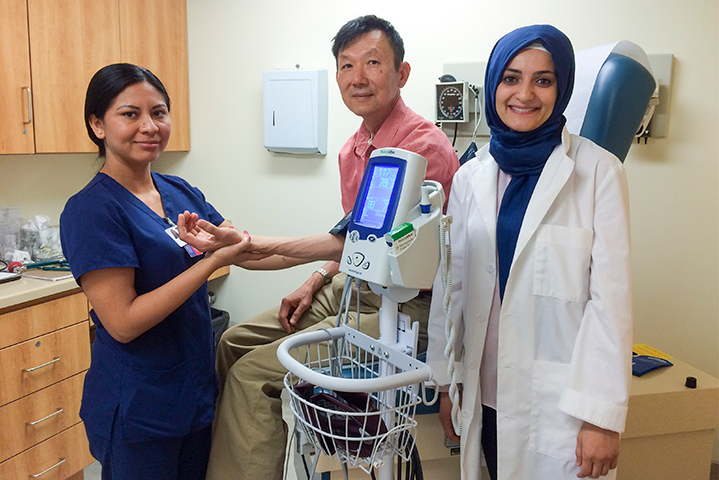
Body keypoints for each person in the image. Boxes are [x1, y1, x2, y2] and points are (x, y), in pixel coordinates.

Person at [203, 15, 460, 480]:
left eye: (373, 63)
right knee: (231, 343)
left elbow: (376, 245)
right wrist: (315, 278)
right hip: (352, 287)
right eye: (346, 65)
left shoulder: (424, 151)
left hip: (410, 307)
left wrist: (250, 245)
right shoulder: (353, 150)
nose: (357, 77)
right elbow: (351, 245)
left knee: (253, 375)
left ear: (401, 74)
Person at [426, 25, 633, 480]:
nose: (525, 94)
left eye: (543, 80)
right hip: (484, 395)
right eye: (511, 78)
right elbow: (450, 287)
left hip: (560, 407)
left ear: (562, 89)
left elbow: (610, 305)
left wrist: (600, 417)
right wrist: (445, 383)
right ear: (493, 84)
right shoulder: (471, 176)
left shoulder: (598, 172)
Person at [59, 63, 256, 480]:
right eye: (130, 114)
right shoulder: (91, 210)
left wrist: (332, 252)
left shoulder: (179, 191)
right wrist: (211, 263)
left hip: (193, 394)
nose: (149, 126)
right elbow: (124, 322)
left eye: (159, 112)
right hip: (138, 408)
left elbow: (240, 248)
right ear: (98, 125)